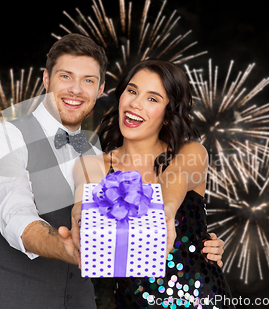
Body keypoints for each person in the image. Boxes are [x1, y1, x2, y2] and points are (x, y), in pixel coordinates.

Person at [0, 33, 225, 308]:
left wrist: (198, 241)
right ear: (46, 79)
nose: (76, 89)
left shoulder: (94, 151)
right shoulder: (6, 136)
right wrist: (67, 245)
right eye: (66, 76)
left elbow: (173, 187)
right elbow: (15, 214)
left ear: (101, 89)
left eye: (88, 81)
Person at [71, 59, 232, 308]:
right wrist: (79, 226)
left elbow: (175, 179)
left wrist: (165, 214)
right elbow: (82, 211)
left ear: (168, 115)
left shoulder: (191, 152)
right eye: (132, 91)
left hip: (202, 299)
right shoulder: (92, 165)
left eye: (152, 98)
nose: (135, 103)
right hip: (133, 301)